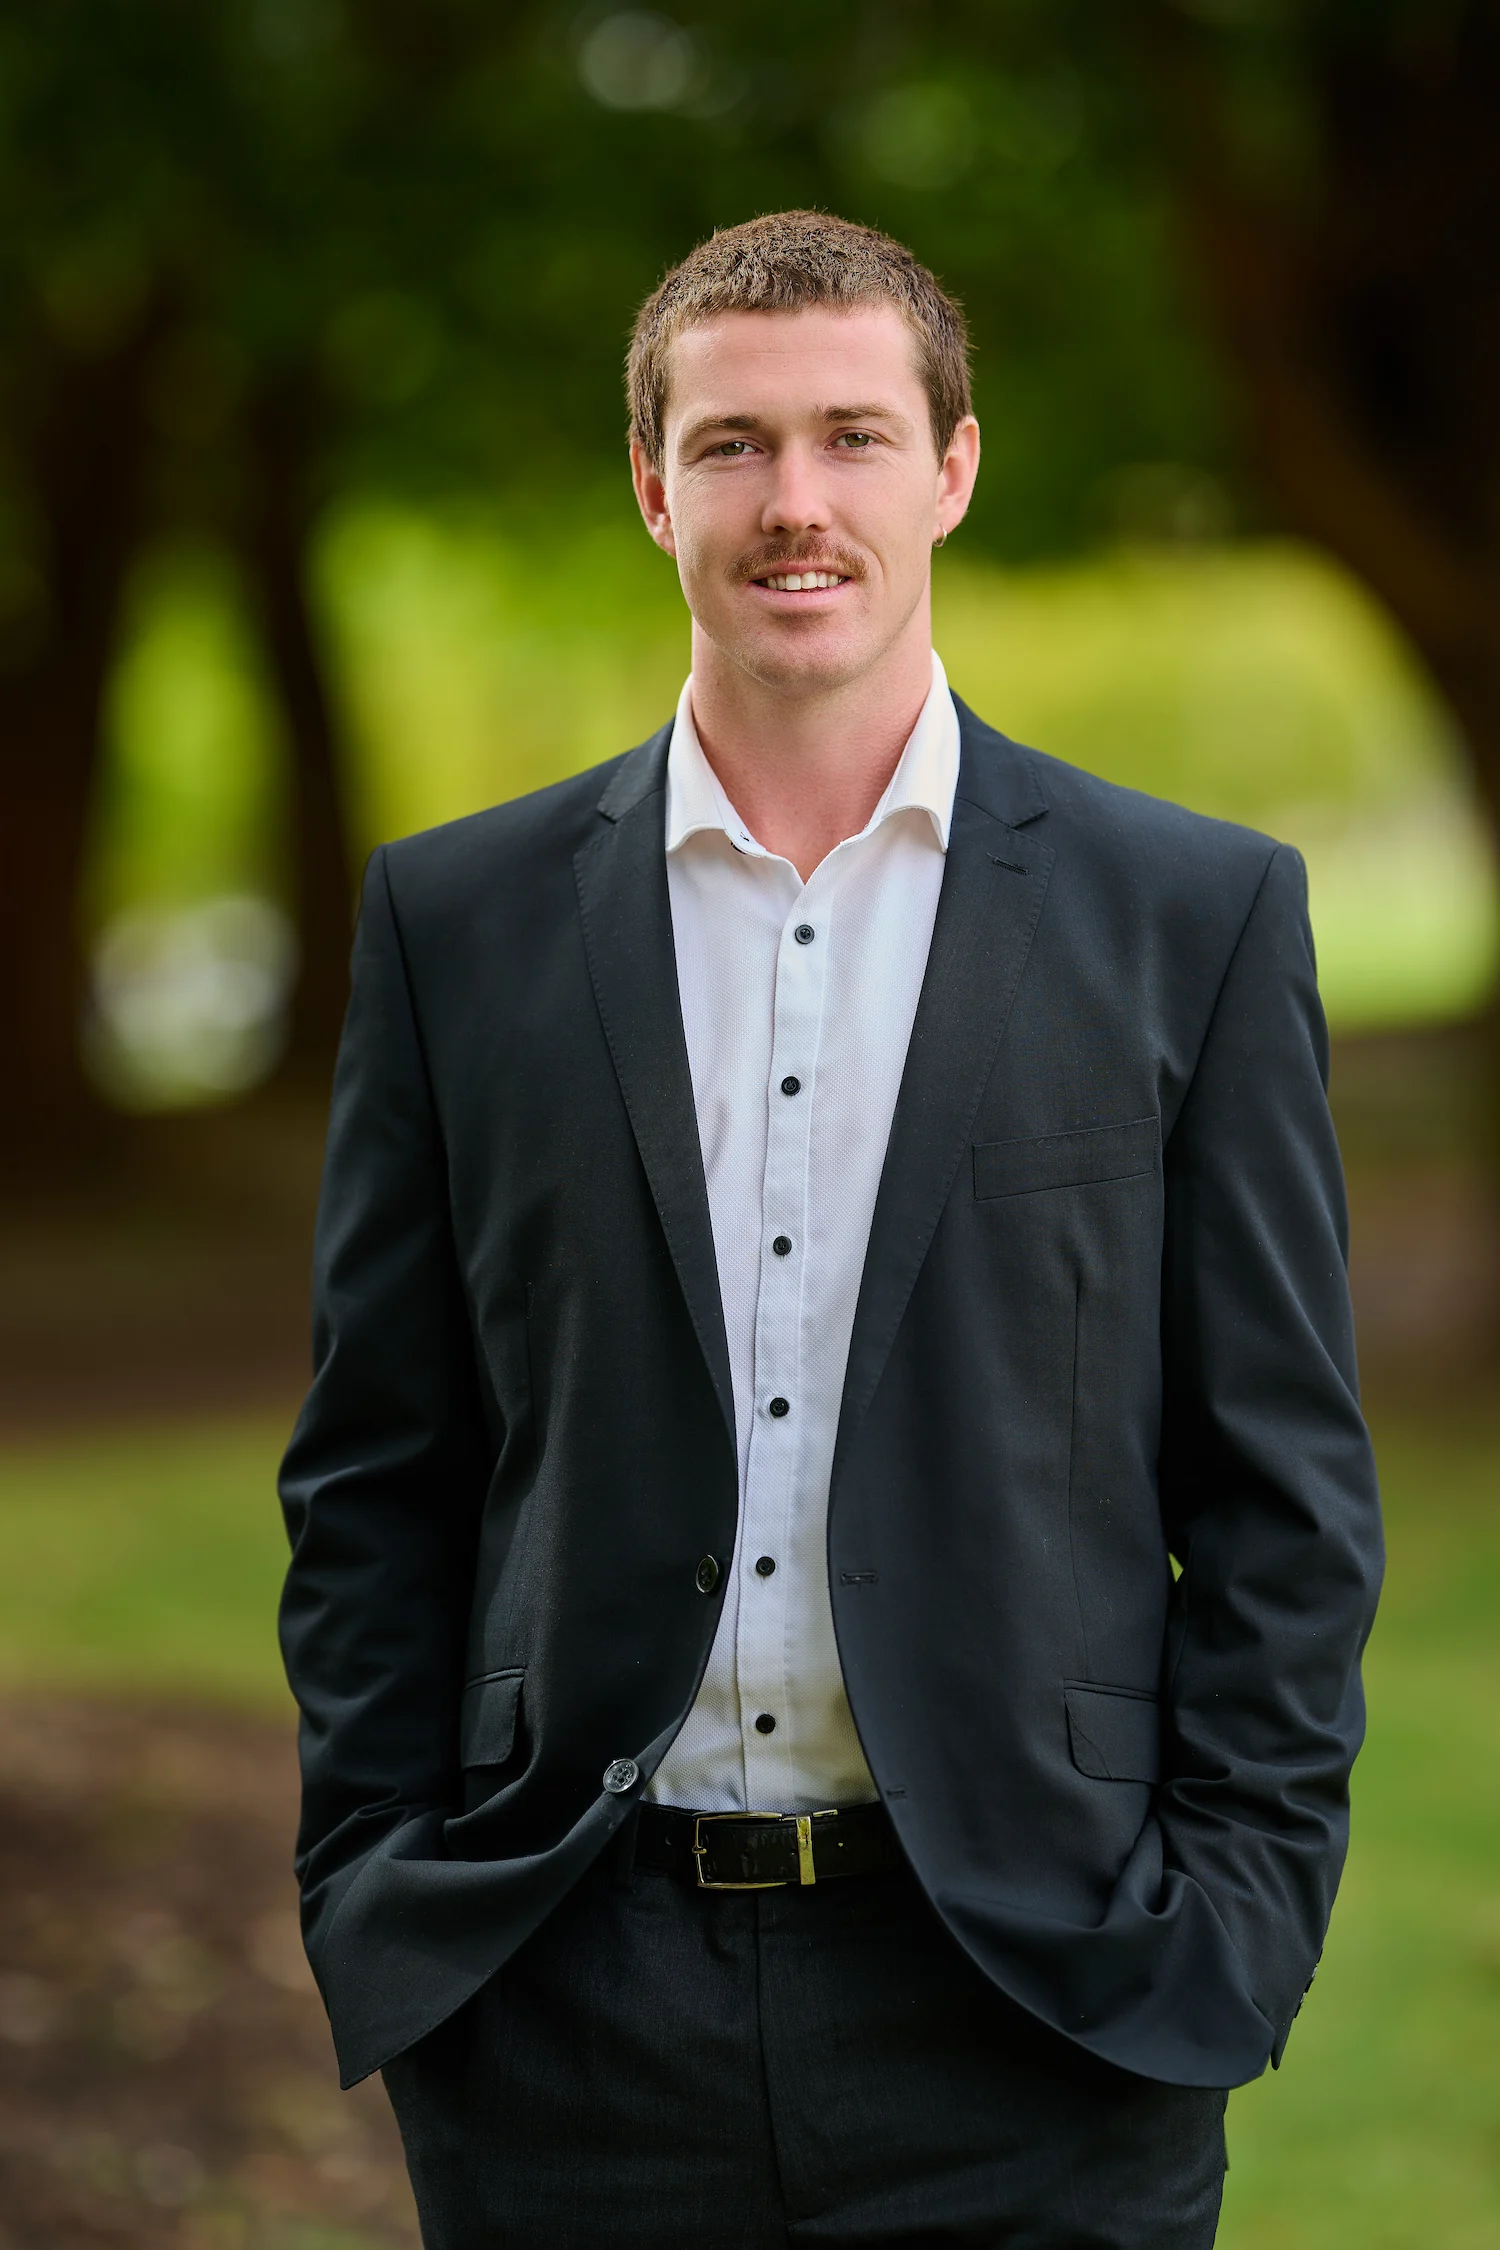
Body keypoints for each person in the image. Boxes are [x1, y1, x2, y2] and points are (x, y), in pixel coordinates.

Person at [278, 209, 1383, 2250]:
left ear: (953, 468)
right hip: (562, 2010)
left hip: (1042, 2002)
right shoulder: (463, 926)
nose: (798, 504)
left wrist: (1227, 1920)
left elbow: (1282, 1496)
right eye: (734, 445)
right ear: (649, 483)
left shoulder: (1190, 919)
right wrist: (382, 1877)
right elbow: (379, 1465)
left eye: (856, 436)